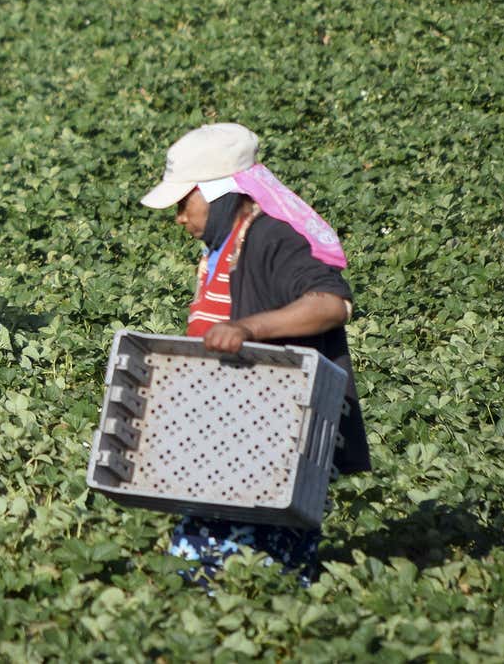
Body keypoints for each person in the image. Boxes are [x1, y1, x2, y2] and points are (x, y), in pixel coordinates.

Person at [139, 122, 372, 583]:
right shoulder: (224, 248)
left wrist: (248, 328)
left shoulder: (271, 238)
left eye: (184, 203)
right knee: (206, 567)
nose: (180, 219)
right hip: (236, 436)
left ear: (217, 193)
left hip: (279, 435)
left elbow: (332, 303)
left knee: (243, 575)